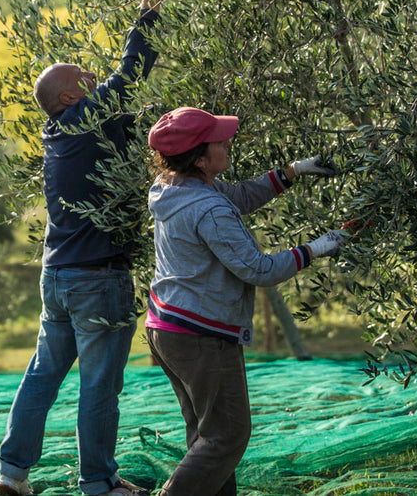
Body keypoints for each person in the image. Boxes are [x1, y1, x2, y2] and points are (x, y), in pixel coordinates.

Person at [0, 0, 168, 496]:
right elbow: (129, 73)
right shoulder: (81, 119)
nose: (94, 78)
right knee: (99, 385)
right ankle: (99, 482)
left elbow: (131, 122)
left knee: (42, 375)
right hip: (97, 277)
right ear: (71, 98)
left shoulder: (63, 132)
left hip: (58, 277)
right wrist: (147, 18)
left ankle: (12, 473)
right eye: (83, 78)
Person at [143, 106, 348, 496]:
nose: (228, 142)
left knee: (207, 436)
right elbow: (259, 269)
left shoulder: (174, 186)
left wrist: (292, 172)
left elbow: (239, 196)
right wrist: (316, 249)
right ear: (200, 159)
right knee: (228, 435)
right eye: (219, 141)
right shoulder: (209, 208)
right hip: (201, 333)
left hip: (168, 327)